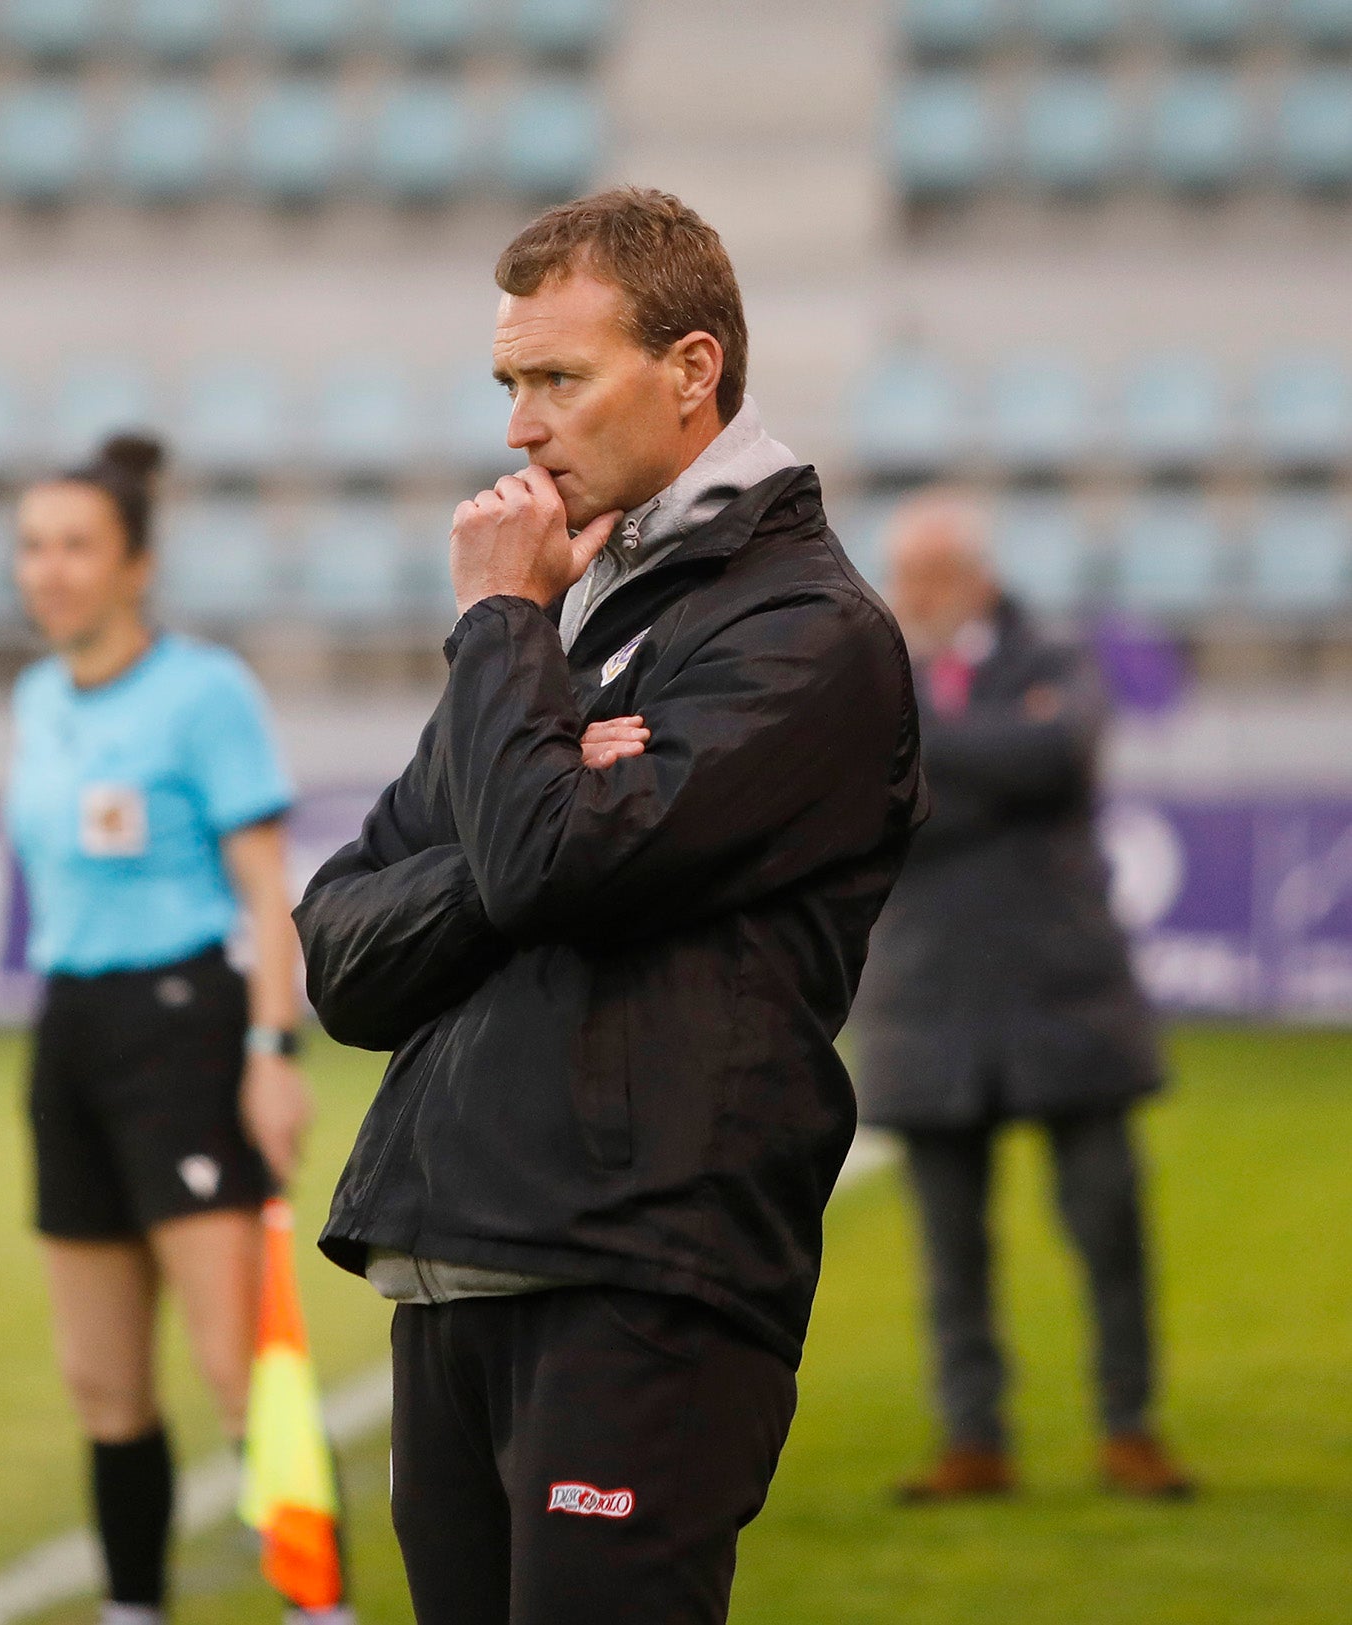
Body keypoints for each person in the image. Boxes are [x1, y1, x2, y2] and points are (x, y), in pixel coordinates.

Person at [293, 186, 926, 1625]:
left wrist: (501, 635)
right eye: (510, 383)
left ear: (691, 371)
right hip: (453, 1263)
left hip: (639, 1268)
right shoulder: (572, 616)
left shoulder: (806, 630)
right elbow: (342, 950)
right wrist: (539, 788)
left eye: (556, 379)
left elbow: (546, 866)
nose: (519, 426)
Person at [4, 433, 352, 1625]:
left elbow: (266, 889)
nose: (47, 570)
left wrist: (271, 1053)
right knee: (103, 1379)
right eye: (33, 546)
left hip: (186, 1025)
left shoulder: (204, 690)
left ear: (135, 564)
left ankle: (319, 1603)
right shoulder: (39, 695)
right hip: (71, 1037)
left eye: (75, 546)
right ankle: (134, 1605)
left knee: (239, 1367)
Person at [852, 490, 1195, 1502]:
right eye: (907, 573)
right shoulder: (873, 674)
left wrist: (916, 748)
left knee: (1110, 1229)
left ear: (978, 571)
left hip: (1064, 997)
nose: (918, 592)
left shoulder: (1053, 652)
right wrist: (985, 754)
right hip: (926, 1002)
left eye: (935, 572)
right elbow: (871, 803)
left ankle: (1129, 1426)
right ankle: (974, 1438)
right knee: (952, 1253)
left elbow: (1055, 757)